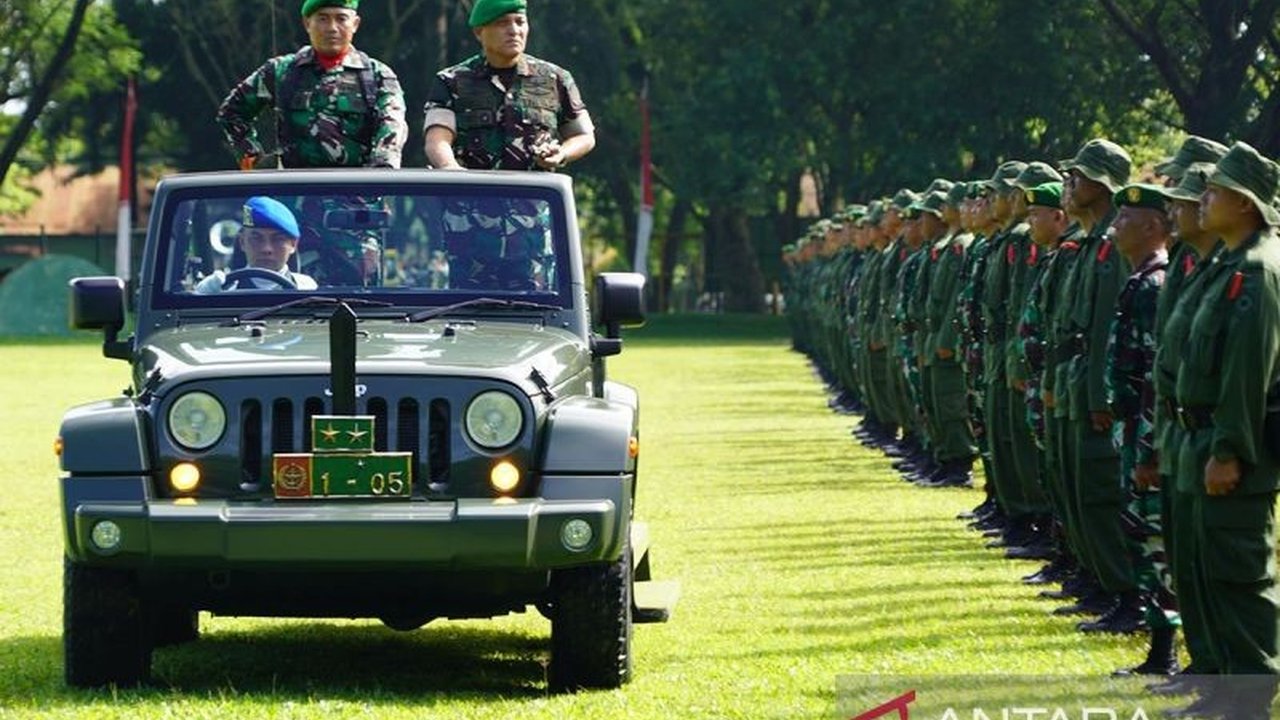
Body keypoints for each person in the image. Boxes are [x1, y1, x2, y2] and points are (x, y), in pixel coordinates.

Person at [1166, 142, 1280, 720]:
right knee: (1207, 575)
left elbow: (1246, 374)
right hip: (1201, 441)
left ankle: (1250, 701)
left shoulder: (1258, 271)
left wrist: (1230, 449)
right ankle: (1223, 693)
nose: (1201, 198)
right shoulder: (1227, 266)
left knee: (1238, 579)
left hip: (1233, 449)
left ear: (1242, 202)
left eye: (1213, 191)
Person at [216, 0, 408, 169]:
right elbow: (232, 113)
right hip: (294, 195)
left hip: (358, 196)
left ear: (355, 24)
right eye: (322, 19)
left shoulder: (376, 75)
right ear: (307, 23)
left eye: (341, 19)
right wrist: (254, 161)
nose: (332, 28)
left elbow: (393, 124)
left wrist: (380, 172)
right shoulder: (281, 71)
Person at [423, 0, 595, 170]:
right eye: (502, 23)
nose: (514, 31)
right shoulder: (451, 81)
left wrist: (561, 154)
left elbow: (584, 135)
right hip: (472, 195)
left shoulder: (555, 79)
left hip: (534, 195)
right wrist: (450, 168)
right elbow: (436, 140)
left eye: (520, 22)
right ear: (479, 32)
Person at [195, 197, 317, 293]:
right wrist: (205, 292)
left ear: (293, 244)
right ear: (242, 242)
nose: (266, 249)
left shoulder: (305, 287)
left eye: (278, 239)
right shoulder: (221, 287)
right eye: (256, 238)